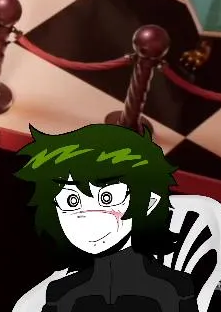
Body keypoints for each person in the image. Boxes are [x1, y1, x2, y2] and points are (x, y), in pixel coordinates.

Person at [14, 124, 197, 311]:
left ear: (147, 202)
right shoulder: (61, 294)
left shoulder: (173, 289)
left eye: (106, 198)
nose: (86, 218)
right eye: (72, 201)